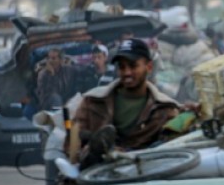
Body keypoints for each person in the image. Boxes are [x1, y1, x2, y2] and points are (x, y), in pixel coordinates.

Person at [72, 38, 182, 169]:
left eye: (133, 66)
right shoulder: (93, 101)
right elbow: (73, 144)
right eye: (122, 67)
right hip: (96, 177)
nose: (126, 72)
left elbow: (173, 149)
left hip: (142, 178)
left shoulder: (165, 109)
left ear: (149, 67)